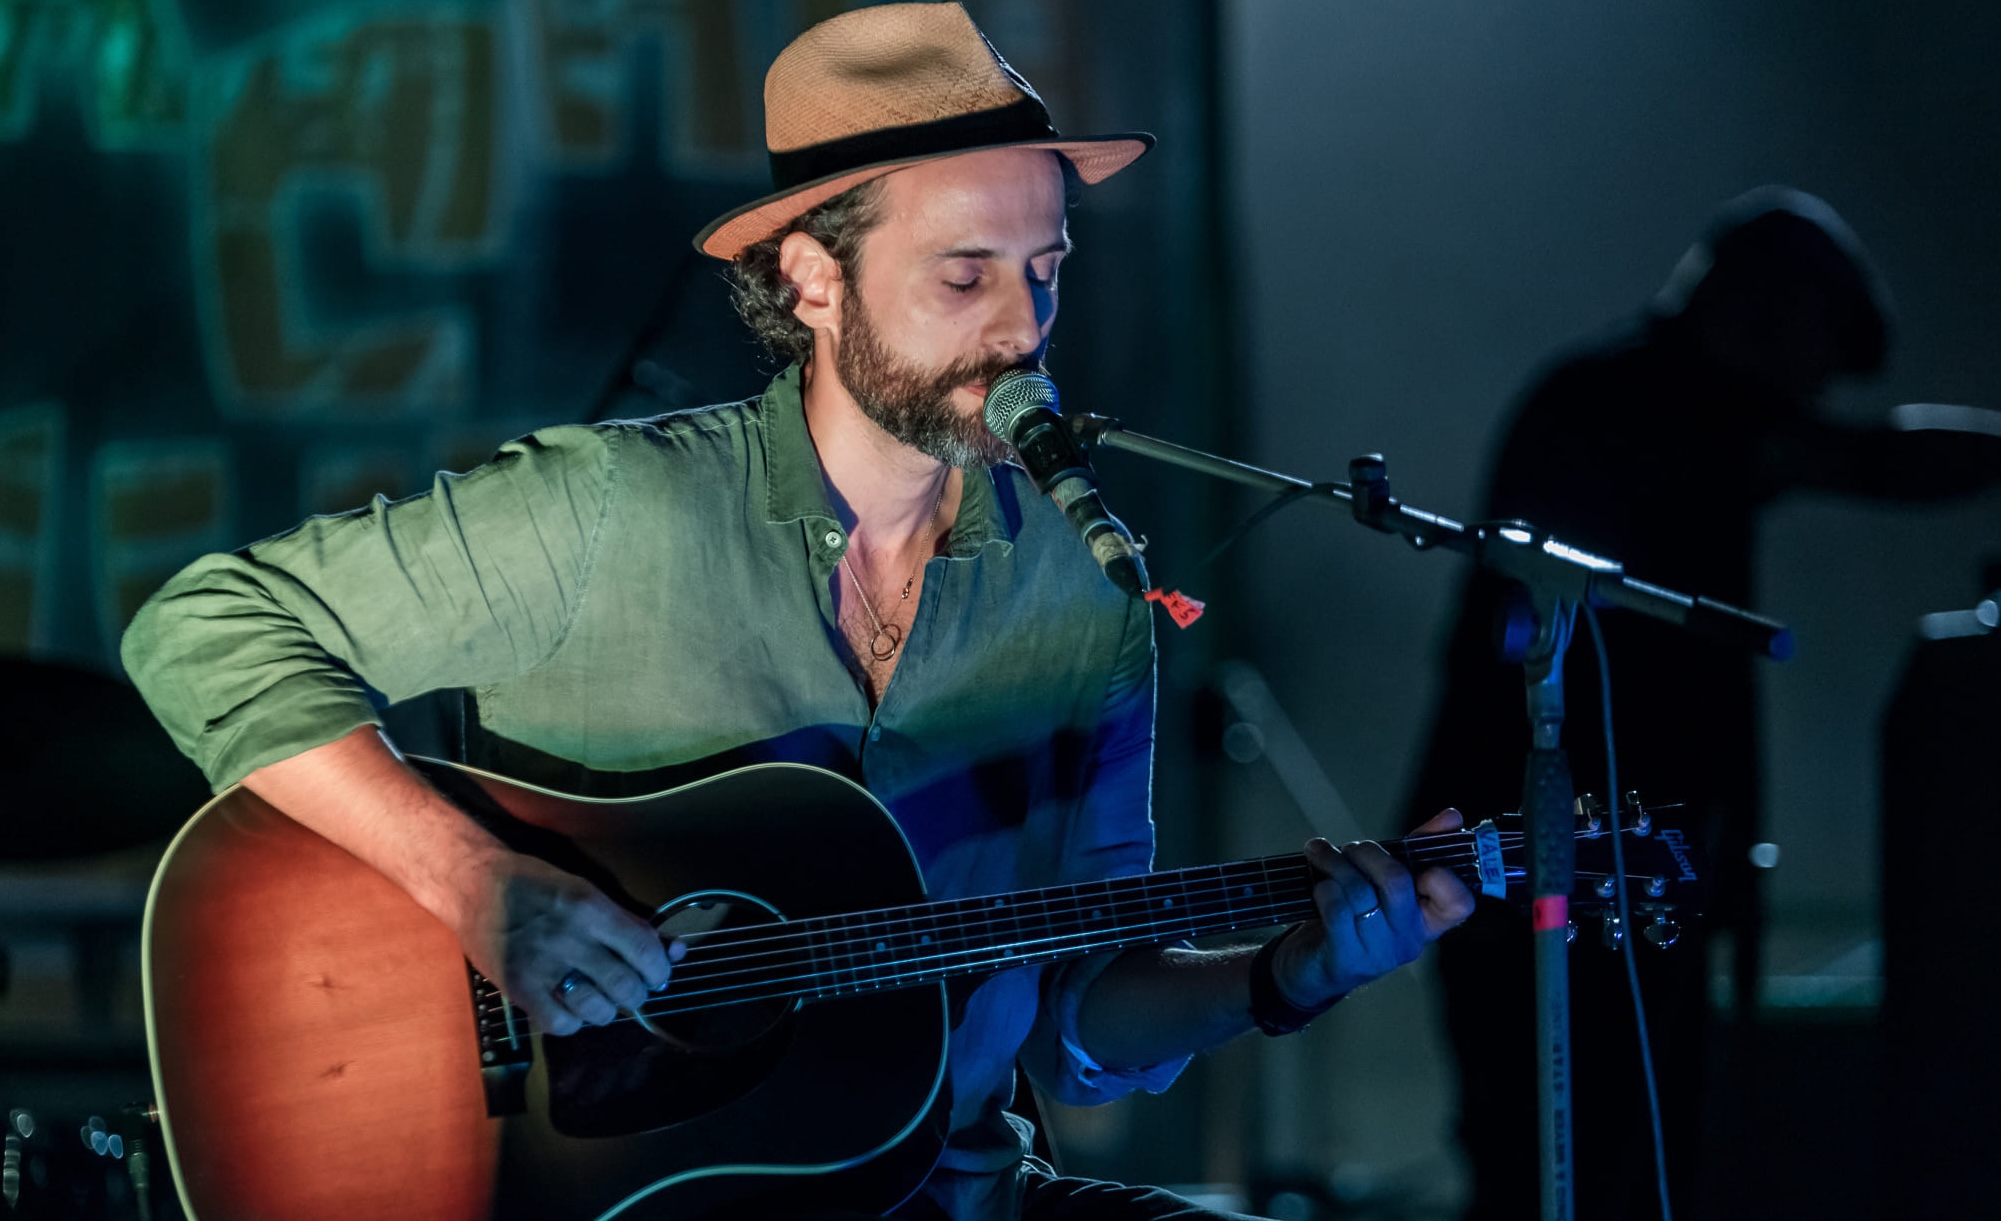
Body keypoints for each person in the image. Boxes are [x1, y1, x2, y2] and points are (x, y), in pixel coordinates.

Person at [122, 6, 1474, 1219]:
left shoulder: (1087, 588)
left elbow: (1078, 1015)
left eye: (1046, 267)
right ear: (812, 282)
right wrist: (477, 882)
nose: (1023, 326)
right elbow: (200, 627)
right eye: (965, 276)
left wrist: (1290, 974)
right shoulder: (614, 510)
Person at [1401, 187, 2001, 1219]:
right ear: (1765, 311)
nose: (1811, 388)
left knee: (1600, 1164)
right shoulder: (1639, 405)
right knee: (1564, 1168)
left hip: (1588, 877)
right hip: (1545, 876)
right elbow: (1871, 457)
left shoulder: (1631, 397)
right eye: (1814, 354)